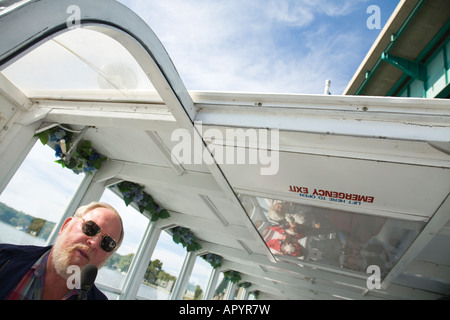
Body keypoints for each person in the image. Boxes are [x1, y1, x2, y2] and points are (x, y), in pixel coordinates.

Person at [0, 202, 124, 300]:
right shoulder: (4, 258)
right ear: (66, 226)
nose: (94, 243)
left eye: (107, 243)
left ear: (107, 256)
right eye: (90, 228)